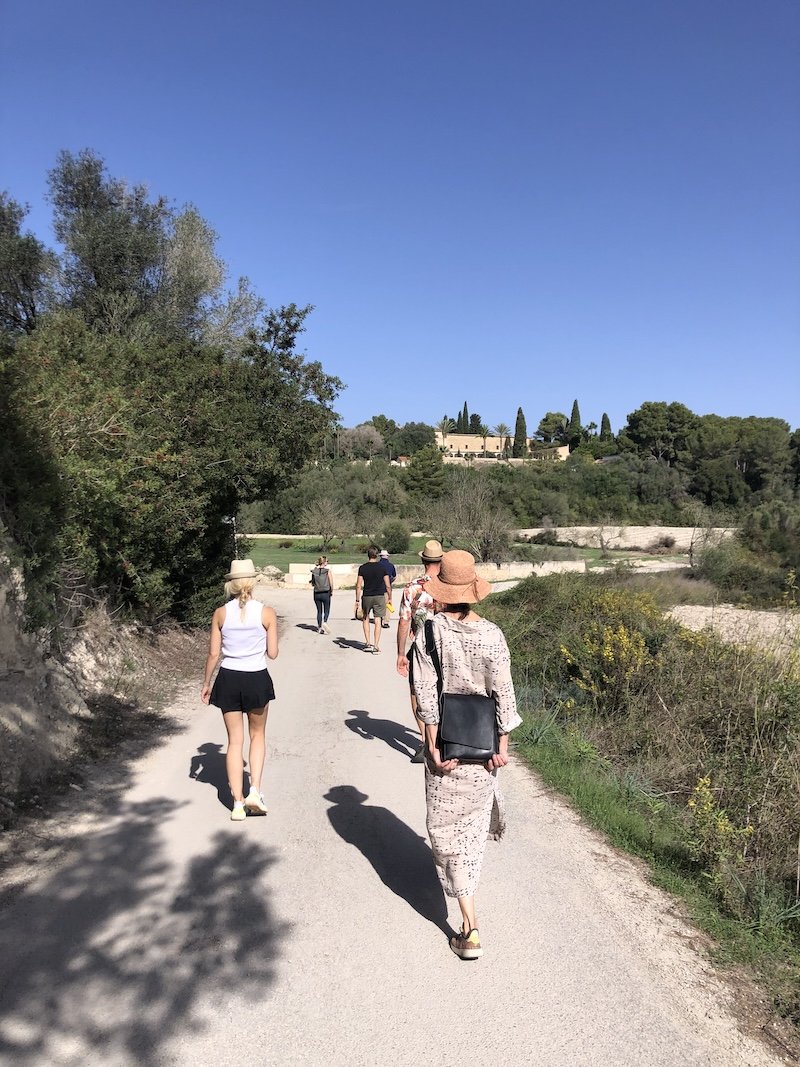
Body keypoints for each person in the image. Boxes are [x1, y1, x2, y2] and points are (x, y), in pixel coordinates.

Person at [412, 549, 521, 960]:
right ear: (474, 590)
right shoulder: (493, 634)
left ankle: (470, 927)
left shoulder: (430, 631)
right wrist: (501, 749)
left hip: (448, 746)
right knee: (471, 833)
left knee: (443, 831)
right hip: (485, 747)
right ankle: (468, 914)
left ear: (441, 589)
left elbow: (427, 696)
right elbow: (504, 693)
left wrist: (434, 744)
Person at [201, 559, 279, 821]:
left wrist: (206, 683)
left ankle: (237, 803)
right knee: (258, 736)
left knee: (235, 741)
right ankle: (254, 790)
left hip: (229, 678)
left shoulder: (220, 613)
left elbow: (214, 653)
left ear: (231, 584)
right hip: (256, 677)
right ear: (253, 582)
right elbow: (273, 653)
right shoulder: (266, 613)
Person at [395, 539, 443, 763]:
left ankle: (427, 742)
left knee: (416, 692)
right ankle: (443, 739)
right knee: (444, 691)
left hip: (421, 648)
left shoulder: (412, 588)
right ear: (441, 561)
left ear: (423, 560)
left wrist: (400, 653)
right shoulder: (449, 587)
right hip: (447, 648)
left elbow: (404, 622)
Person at [355, 546, 391, 653]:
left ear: (368, 555)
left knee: (365, 618)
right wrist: (389, 597)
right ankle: (376, 645)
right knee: (378, 620)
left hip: (367, 595)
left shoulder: (362, 568)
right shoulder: (382, 568)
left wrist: (357, 599)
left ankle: (367, 642)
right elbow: (388, 585)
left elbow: (358, 585)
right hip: (379, 596)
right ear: (377, 555)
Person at [310, 555, 334, 633]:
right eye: (327, 561)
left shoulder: (314, 571)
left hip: (317, 592)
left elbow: (313, 583)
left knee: (319, 611)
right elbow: (331, 583)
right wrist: (332, 591)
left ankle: (319, 627)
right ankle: (325, 622)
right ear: (324, 562)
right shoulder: (327, 571)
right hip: (326, 592)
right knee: (326, 609)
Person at [378, 549, 397, 628]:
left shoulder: (377, 565)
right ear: (387, 556)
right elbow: (394, 576)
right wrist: (390, 581)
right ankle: (386, 622)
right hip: (387, 588)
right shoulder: (391, 566)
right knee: (388, 605)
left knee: (379, 605)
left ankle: (378, 619)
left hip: (378, 588)